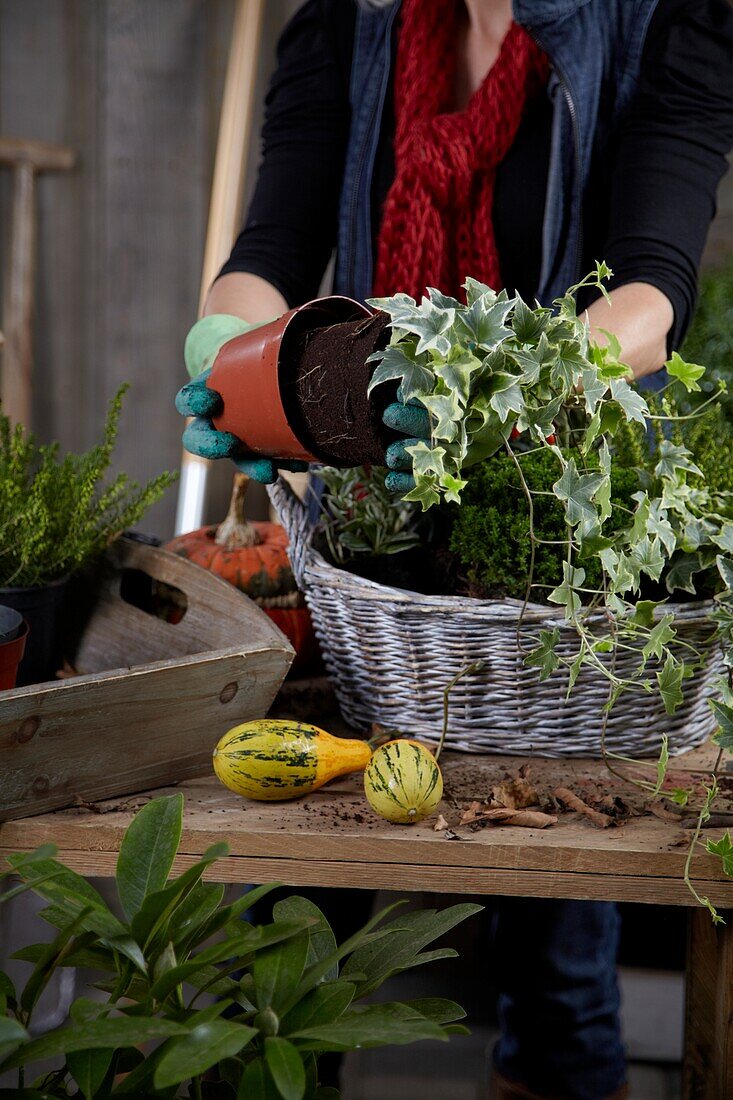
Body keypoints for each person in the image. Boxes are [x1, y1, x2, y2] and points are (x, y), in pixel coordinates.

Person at [176, 2, 733, 1096]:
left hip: (545, 534)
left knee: (556, 955)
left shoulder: (669, 24)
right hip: (366, 524)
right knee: (289, 922)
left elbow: (650, 293)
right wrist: (233, 354)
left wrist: (490, 386)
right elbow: (268, 255)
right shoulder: (349, 27)